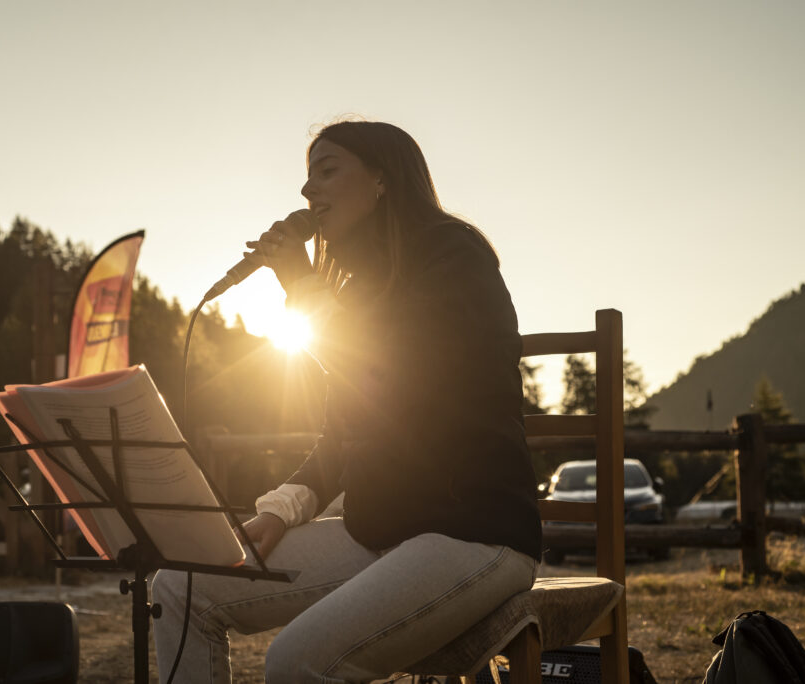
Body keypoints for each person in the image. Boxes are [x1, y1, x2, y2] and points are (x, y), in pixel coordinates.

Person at [152, 120, 541, 683]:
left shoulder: (455, 257)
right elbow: (342, 432)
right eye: (306, 179)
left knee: (297, 659)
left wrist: (304, 290)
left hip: (474, 532)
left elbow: (401, 374)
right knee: (180, 586)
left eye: (327, 171)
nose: (308, 193)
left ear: (383, 179)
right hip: (380, 531)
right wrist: (280, 508)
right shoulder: (356, 290)